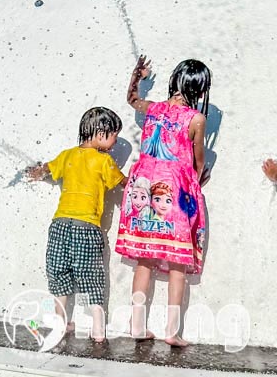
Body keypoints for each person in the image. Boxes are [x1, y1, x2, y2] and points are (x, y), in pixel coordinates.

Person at [115, 56, 209, 347]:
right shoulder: (196, 118)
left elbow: (132, 99)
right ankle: (172, 332)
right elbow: (198, 159)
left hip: (143, 183)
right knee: (178, 262)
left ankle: (136, 324)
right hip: (174, 189)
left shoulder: (152, 108)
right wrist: (196, 177)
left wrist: (137, 76)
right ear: (199, 89)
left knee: (145, 259)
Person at [27, 107, 127, 342]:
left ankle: (60, 324)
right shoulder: (104, 161)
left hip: (60, 225)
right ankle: (98, 328)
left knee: (58, 272)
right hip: (87, 227)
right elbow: (124, 183)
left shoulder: (67, 155)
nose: (114, 143)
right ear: (100, 133)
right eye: (114, 135)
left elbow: (46, 171)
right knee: (91, 276)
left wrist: (34, 172)